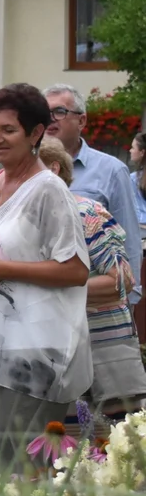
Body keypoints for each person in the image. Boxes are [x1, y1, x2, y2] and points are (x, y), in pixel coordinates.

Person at [0, 83, 89, 469]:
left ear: (36, 133)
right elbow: (0, 251)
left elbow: (76, 269)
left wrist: (1, 268)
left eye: (8, 130)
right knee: (11, 470)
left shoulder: (49, 190)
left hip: (43, 352)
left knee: (23, 475)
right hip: (2, 348)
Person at [38, 137, 146, 421]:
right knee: (62, 450)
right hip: (53, 353)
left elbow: (121, 282)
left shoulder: (87, 213)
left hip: (104, 351)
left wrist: (49, 288)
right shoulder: (26, 219)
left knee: (114, 447)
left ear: (54, 169)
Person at [44, 83, 142, 304]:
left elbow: (130, 239)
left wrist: (131, 296)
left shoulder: (111, 170)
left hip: (96, 301)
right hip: (40, 301)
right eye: (44, 113)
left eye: (59, 112)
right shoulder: (27, 168)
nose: (50, 119)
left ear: (82, 121)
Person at [129, 132, 146, 233]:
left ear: (142, 152)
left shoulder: (134, 179)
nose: (130, 151)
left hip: (141, 230)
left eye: (133, 148)